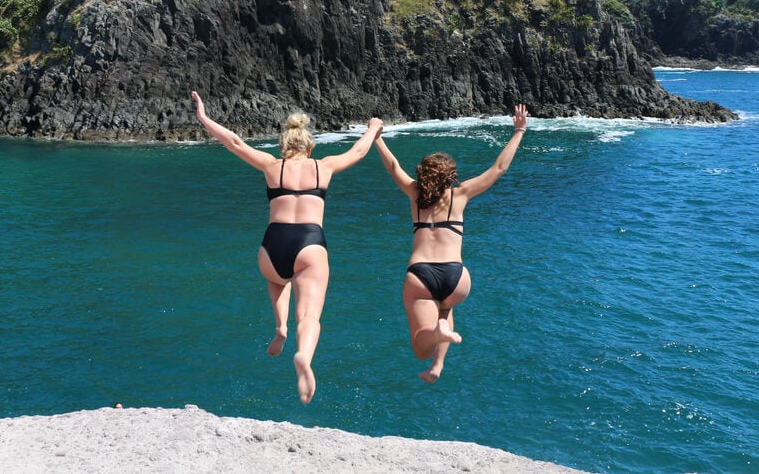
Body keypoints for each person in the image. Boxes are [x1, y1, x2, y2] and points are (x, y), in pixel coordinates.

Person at [191, 91, 383, 404]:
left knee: (277, 279)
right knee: (309, 316)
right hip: (309, 243)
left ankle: (280, 327)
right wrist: (373, 128)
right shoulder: (325, 166)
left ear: (283, 147)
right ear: (309, 147)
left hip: (272, 246)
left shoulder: (270, 166)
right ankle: (304, 357)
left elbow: (235, 142)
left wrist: (203, 116)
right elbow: (359, 152)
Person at [373, 104, 528, 383]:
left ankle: (434, 341)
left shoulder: (414, 193)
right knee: (446, 309)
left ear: (423, 175)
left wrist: (377, 137)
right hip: (456, 277)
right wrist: (519, 131)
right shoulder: (461, 195)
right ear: (450, 176)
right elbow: (500, 167)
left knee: (421, 346)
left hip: (421, 275)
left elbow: (393, 166)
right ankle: (438, 366)